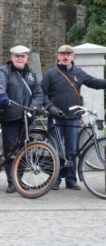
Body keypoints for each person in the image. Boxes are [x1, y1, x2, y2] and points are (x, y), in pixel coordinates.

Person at [41, 44, 106, 191]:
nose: (65, 57)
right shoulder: (51, 74)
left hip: (73, 118)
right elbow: (41, 93)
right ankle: (55, 180)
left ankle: (71, 180)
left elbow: (95, 83)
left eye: (68, 54)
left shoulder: (78, 72)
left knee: (71, 150)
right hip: (56, 118)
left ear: (72, 57)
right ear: (58, 56)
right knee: (55, 149)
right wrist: (50, 107)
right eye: (63, 54)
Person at [0, 45, 43, 193]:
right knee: (11, 150)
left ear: (26, 58)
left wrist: (34, 107)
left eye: (22, 56)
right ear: (12, 57)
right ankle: (11, 181)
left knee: (24, 150)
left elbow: (38, 93)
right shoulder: (4, 71)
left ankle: (19, 180)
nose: (20, 59)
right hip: (10, 116)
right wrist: (2, 96)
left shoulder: (31, 73)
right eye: (17, 56)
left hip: (27, 117)